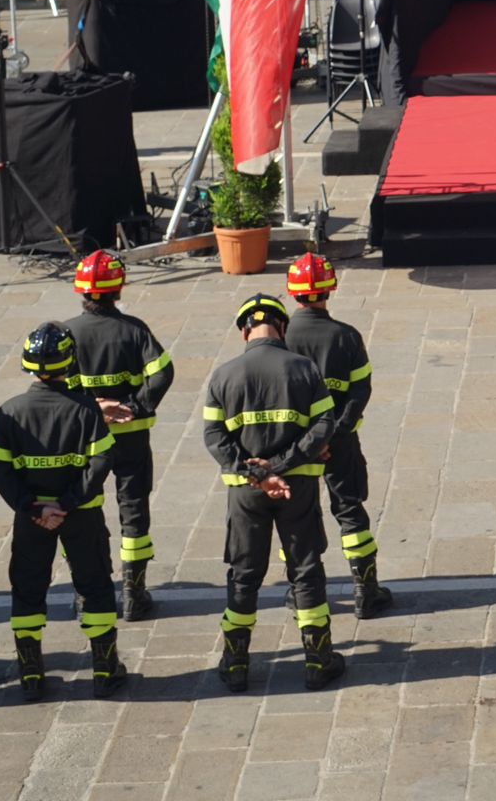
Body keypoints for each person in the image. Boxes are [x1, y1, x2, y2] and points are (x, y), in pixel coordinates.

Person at [204, 293, 345, 692]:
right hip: (296, 487)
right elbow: (324, 426)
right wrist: (280, 467)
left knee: (244, 574)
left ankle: (236, 664)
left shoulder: (223, 376)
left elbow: (213, 437)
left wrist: (256, 473)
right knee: (305, 568)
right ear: (282, 327)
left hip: (245, 493)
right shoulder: (305, 369)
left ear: (244, 331)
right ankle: (318, 661)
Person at [0, 323, 125, 700]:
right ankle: (105, 670)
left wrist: (31, 507)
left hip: (31, 519)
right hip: (81, 516)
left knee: (28, 587)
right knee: (94, 585)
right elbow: (101, 462)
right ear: (69, 363)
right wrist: (66, 503)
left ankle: (31, 674)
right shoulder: (85, 410)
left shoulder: (9, 412)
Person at [281, 253, 393, 618]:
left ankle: (302, 590)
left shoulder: (282, 338)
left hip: (294, 448)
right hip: (340, 445)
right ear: (330, 289)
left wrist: (306, 443)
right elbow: (360, 392)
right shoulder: (346, 337)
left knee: (297, 517)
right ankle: (366, 592)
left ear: (292, 291)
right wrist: (334, 436)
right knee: (349, 510)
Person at [63, 249, 171, 623]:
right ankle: (134, 594)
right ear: (118, 288)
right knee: (134, 509)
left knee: (82, 510)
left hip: (84, 440)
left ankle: (86, 594)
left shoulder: (67, 333)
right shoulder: (135, 330)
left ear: (81, 290)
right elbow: (163, 372)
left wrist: (93, 408)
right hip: (130, 436)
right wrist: (135, 406)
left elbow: (56, 384)